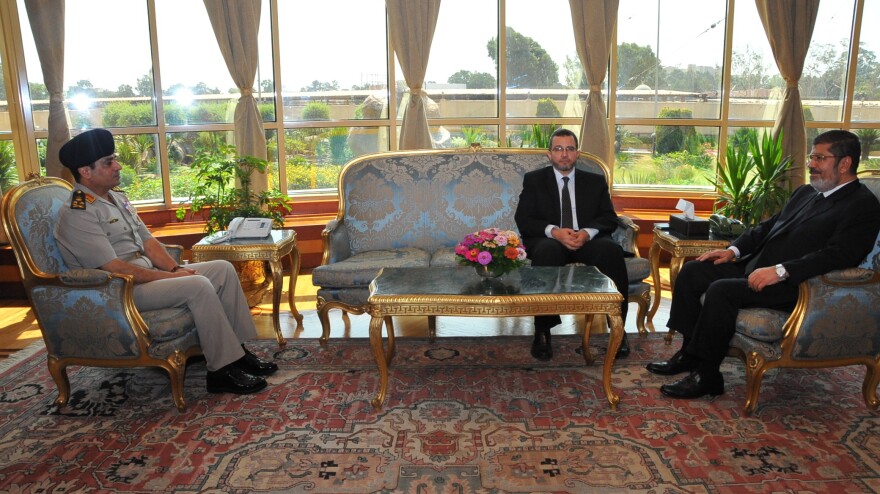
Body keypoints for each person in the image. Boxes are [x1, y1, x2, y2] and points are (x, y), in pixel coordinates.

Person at [648, 129, 880, 399]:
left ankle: (707, 374)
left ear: (845, 163)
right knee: (693, 271)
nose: (811, 164)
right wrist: (733, 251)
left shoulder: (862, 206)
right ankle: (689, 354)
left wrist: (782, 271)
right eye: (811, 156)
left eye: (819, 158)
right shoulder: (807, 192)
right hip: (758, 267)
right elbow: (767, 226)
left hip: (800, 285)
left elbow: (839, 255)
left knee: (721, 291)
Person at [53, 129, 279, 395]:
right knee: (198, 285)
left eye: (114, 159)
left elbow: (148, 243)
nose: (118, 166)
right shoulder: (78, 212)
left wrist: (175, 268)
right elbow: (115, 268)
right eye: (108, 162)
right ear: (85, 172)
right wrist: (174, 279)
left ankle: (237, 353)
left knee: (223, 269)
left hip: (143, 277)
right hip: (116, 291)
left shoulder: (116, 197)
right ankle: (220, 372)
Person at [515, 128, 630, 361]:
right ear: (549, 155)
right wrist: (554, 232)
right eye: (558, 149)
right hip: (551, 239)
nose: (564, 155)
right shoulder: (534, 180)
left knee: (610, 251)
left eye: (569, 149)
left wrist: (587, 233)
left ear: (577, 154)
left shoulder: (595, 182)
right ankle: (543, 331)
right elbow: (524, 219)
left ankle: (618, 328)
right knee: (546, 253)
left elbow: (609, 217)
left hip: (586, 240)